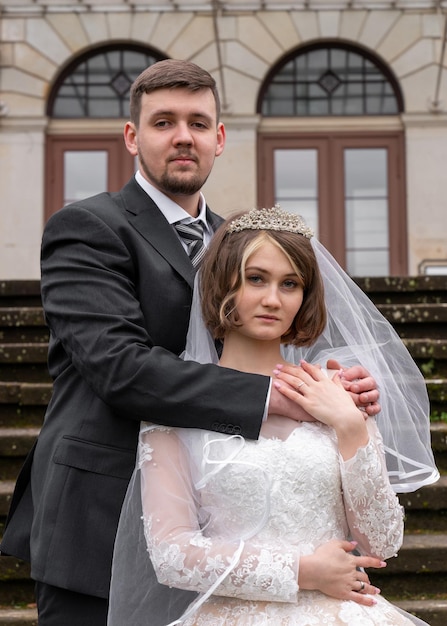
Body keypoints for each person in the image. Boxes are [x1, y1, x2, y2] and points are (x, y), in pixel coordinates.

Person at [0, 60, 385, 625]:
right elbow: (120, 367)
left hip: (236, 532)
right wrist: (278, 395)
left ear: (220, 138)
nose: (184, 137)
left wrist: (331, 387)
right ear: (133, 136)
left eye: (199, 123)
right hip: (98, 521)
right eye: (163, 122)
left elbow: (268, 341)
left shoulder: (244, 241)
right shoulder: (88, 227)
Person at [108, 207, 437, 626]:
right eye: (256, 278)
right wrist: (302, 570)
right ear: (221, 282)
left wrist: (352, 427)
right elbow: (173, 555)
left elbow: (383, 541)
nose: (272, 299)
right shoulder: (174, 411)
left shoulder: (338, 393)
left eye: (290, 284)